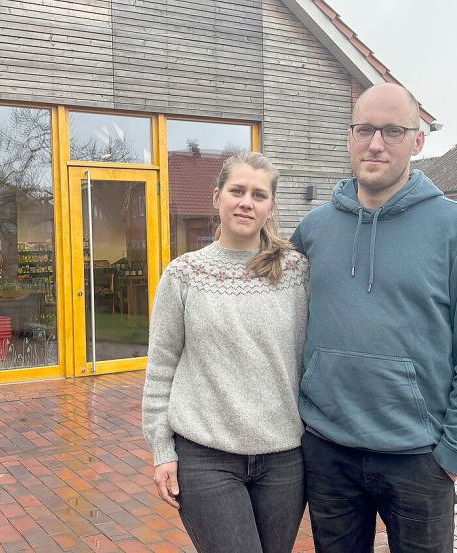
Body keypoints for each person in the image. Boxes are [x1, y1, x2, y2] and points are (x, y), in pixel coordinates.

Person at [291, 82, 457, 553]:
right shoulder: (313, 230)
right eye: (364, 129)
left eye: (392, 131)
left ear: (418, 140)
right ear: (349, 136)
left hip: (419, 459)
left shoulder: (456, 228)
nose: (375, 143)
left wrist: (453, 454)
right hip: (329, 451)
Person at [142, 151, 309, 553]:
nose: (246, 202)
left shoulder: (297, 271)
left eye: (259, 194)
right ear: (217, 197)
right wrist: (161, 450)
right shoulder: (183, 275)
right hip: (205, 456)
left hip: (284, 458)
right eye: (236, 190)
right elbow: (161, 366)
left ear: (270, 207)